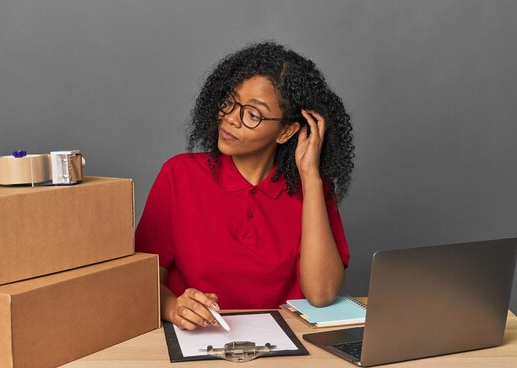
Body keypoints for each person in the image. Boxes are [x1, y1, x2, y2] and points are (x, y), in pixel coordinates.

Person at [135, 41, 354, 330]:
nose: (229, 119)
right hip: (198, 348)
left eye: (252, 114)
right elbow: (138, 282)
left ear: (286, 131)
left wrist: (311, 178)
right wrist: (174, 307)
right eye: (229, 102)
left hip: (288, 360)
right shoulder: (179, 175)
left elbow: (322, 294)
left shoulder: (312, 189)